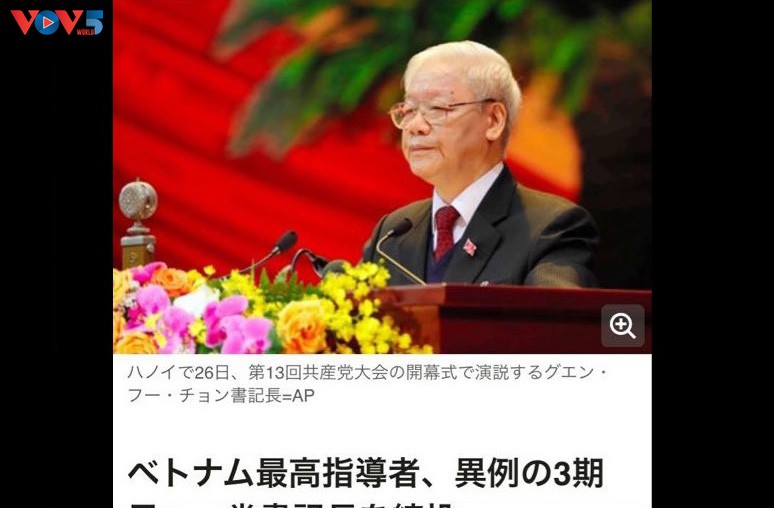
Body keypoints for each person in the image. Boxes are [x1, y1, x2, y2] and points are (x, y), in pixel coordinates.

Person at [362, 40, 599, 287]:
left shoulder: (551, 227)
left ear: (494, 120)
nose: (414, 126)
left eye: (437, 108)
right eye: (409, 110)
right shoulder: (392, 233)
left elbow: (551, 312)